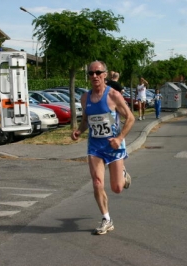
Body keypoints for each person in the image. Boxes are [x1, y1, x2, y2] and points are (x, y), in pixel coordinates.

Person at [71, 61, 135, 235]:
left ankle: (122, 174)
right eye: (91, 73)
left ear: (105, 74)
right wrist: (79, 131)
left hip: (114, 147)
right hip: (95, 147)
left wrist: (120, 137)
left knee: (117, 188)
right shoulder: (85, 98)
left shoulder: (113, 95)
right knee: (97, 182)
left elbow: (130, 118)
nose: (94, 76)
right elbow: (86, 120)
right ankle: (106, 219)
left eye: (98, 72)